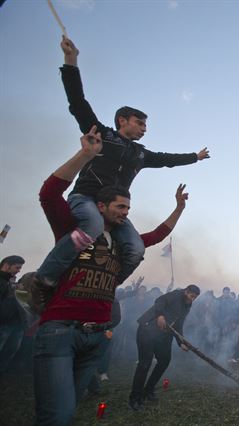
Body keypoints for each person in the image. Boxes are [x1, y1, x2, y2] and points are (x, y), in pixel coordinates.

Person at [30, 127, 191, 425]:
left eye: (128, 208)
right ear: (100, 206)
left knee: (71, 408)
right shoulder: (73, 229)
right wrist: (84, 155)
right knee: (58, 415)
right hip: (61, 331)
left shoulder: (124, 243)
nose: (126, 213)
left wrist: (179, 208)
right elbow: (48, 195)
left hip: (97, 337)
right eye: (120, 207)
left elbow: (157, 235)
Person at [32, 36, 210, 294]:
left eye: (146, 126)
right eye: (140, 123)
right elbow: (78, 103)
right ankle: (46, 276)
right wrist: (71, 62)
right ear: (122, 120)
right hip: (87, 199)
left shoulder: (141, 154)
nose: (144, 128)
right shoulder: (103, 135)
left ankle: (109, 285)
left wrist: (194, 156)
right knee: (92, 226)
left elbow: (167, 160)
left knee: (136, 248)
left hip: (115, 209)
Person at [129, 284, 200, 410]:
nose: (192, 299)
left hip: (164, 334)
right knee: (145, 364)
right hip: (147, 329)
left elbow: (179, 324)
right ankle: (135, 398)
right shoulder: (175, 295)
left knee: (164, 361)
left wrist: (180, 342)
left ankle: (148, 390)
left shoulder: (188, 305)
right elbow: (159, 301)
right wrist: (160, 315)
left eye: (195, 298)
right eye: (191, 296)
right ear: (186, 291)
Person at [0, 255, 26, 374]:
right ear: (6, 265)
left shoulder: (8, 281)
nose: (19, 270)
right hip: (3, 323)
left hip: (13, 324)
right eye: (17, 267)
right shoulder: (2, 281)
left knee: (10, 350)